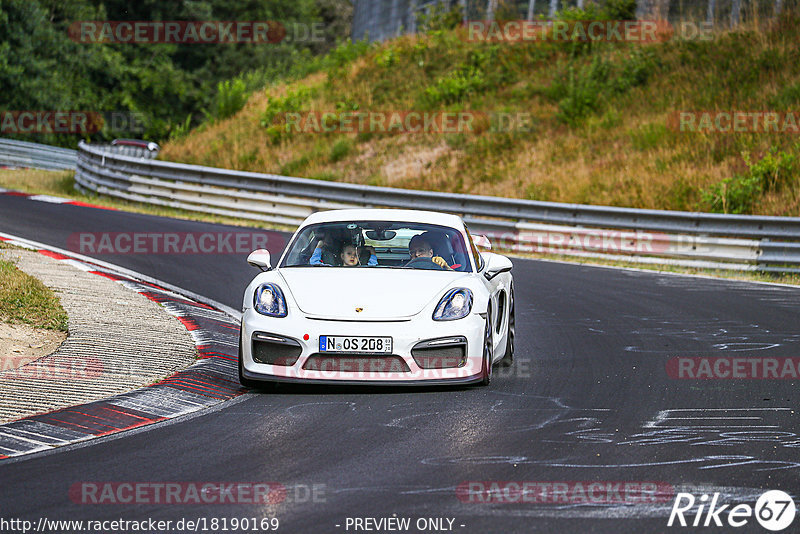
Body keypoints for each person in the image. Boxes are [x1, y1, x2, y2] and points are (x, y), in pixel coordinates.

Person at [310, 241, 377, 266]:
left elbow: (373, 266)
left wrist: (372, 252)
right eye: (349, 253)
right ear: (342, 256)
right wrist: (319, 247)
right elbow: (314, 263)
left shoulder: (364, 269)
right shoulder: (332, 269)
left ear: (359, 257)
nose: (352, 257)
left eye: (356, 255)